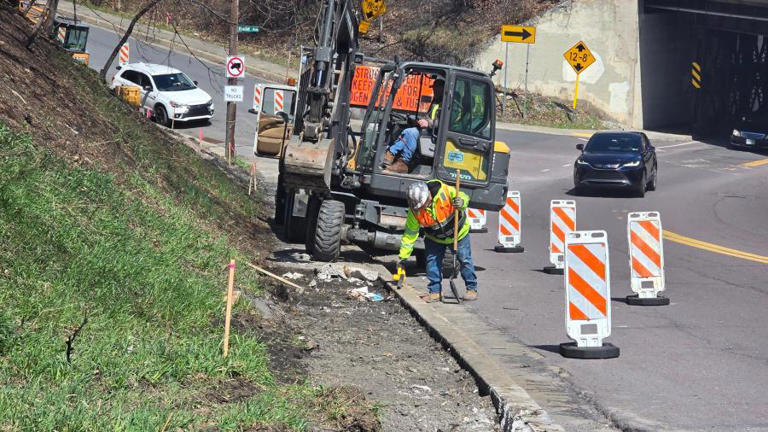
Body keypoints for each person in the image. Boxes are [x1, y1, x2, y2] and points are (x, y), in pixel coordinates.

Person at [397, 180, 478, 303]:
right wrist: (403, 257)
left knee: (465, 259)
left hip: (458, 233)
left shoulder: (444, 191)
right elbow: (410, 234)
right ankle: (435, 292)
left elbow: (463, 196)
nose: (421, 208)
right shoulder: (415, 210)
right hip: (434, 238)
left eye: (423, 204)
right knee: (432, 263)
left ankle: (471, 289)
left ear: (428, 196)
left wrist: (461, 203)